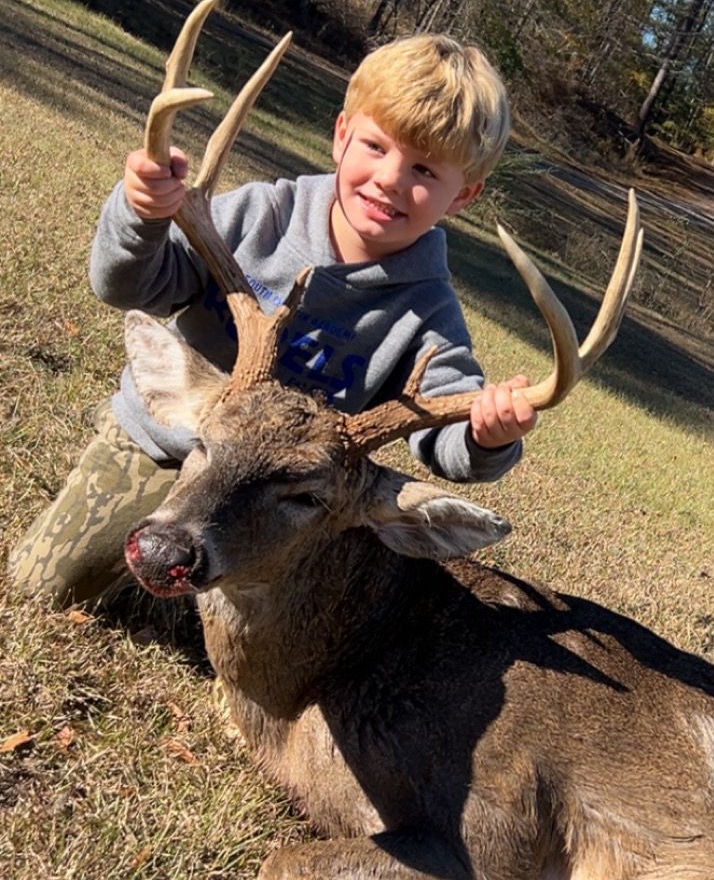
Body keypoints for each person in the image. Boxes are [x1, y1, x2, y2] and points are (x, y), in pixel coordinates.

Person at [10, 31, 536, 607]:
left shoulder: (428, 312)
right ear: (341, 136)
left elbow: (449, 431)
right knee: (43, 587)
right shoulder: (263, 215)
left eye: (426, 171)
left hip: (281, 500)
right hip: (166, 443)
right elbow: (131, 287)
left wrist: (488, 435)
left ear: (463, 197)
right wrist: (142, 216)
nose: (390, 179)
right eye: (377, 148)